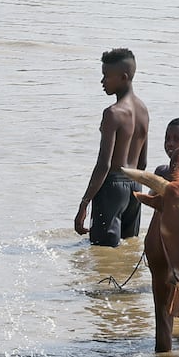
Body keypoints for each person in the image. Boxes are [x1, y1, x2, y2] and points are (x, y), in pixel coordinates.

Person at [74, 47, 149, 246]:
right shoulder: (143, 110)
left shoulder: (113, 113)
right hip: (135, 186)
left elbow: (104, 164)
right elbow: (143, 162)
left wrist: (84, 203)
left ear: (123, 77)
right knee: (127, 247)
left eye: (106, 76)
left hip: (112, 188)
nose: (102, 82)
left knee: (102, 250)